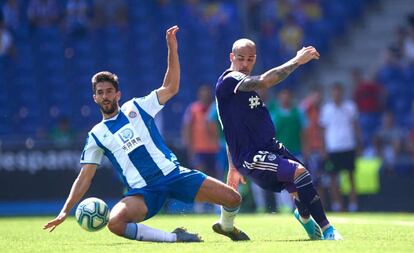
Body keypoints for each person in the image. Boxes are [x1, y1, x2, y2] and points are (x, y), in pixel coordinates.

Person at [43, 26, 246, 243]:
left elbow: (171, 87)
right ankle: (175, 238)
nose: (105, 96)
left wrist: (172, 48)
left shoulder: (137, 108)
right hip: (143, 192)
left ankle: (226, 227)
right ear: (94, 98)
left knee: (233, 199)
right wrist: (66, 210)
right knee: (115, 223)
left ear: (117, 94)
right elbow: (85, 176)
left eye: (109, 91)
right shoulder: (96, 135)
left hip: (173, 174)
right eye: (100, 93)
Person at [213, 38, 342, 241]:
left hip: (270, 147)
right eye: (240, 59)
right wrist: (297, 60)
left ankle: (304, 216)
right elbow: (265, 80)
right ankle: (328, 230)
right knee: (298, 172)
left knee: (303, 182)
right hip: (251, 156)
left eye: (250, 59)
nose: (245, 64)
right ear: (231, 57)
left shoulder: (242, 88)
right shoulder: (230, 81)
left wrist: (231, 166)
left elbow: (229, 128)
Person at [320, 83, 361, 212]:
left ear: (342, 93)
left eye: (339, 92)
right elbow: (323, 130)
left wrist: (359, 143)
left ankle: (353, 205)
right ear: (332, 94)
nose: (337, 94)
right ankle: (337, 205)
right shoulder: (326, 110)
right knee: (333, 179)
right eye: (334, 92)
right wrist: (324, 148)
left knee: (351, 177)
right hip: (333, 147)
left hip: (348, 145)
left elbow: (355, 126)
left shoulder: (350, 107)